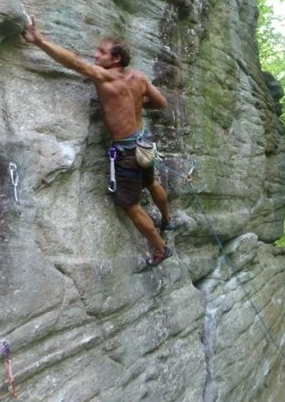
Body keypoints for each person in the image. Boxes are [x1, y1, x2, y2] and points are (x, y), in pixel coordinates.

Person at [22, 17, 175, 267]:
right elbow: (161, 102)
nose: (95, 55)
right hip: (143, 143)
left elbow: (73, 62)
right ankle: (167, 219)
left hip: (127, 151)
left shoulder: (105, 78)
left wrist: (38, 40)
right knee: (151, 182)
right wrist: (135, 102)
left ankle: (160, 248)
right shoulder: (139, 77)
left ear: (115, 59)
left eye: (101, 52)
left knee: (131, 206)